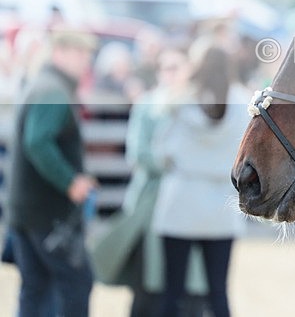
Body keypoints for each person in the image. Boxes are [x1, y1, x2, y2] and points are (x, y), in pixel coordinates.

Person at [89, 46, 208, 316]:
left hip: (189, 205)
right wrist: (170, 163)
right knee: (148, 283)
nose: (171, 74)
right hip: (151, 205)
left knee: (190, 281)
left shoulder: (198, 105)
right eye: (166, 68)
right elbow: (138, 152)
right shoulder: (148, 104)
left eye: (177, 67)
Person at [6, 27, 98, 317]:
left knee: (35, 288)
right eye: (79, 52)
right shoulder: (54, 90)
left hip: (27, 209)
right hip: (49, 213)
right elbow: (38, 142)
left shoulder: (42, 84)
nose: (86, 60)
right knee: (77, 282)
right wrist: (70, 180)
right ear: (59, 52)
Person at [151, 41, 248, 317]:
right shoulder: (241, 100)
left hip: (181, 199)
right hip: (221, 205)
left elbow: (161, 151)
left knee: (173, 291)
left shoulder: (179, 98)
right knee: (218, 291)